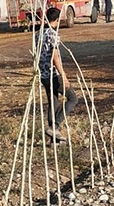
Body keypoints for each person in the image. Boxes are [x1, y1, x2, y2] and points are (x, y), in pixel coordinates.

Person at [38, 7, 78, 142]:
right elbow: (55, 57)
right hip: (52, 74)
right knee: (72, 98)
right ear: (57, 19)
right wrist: (64, 77)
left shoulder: (38, 34)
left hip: (43, 75)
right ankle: (55, 126)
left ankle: (53, 139)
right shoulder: (53, 34)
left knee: (53, 102)